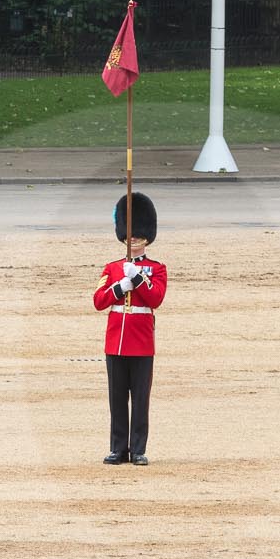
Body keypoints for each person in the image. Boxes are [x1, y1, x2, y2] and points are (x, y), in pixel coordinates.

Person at [94, 193, 166, 466]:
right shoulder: (112, 268)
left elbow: (156, 298)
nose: (133, 238)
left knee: (140, 400)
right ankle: (117, 448)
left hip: (142, 341)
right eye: (130, 234)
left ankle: (137, 449)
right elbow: (99, 301)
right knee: (116, 399)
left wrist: (136, 278)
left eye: (138, 234)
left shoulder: (156, 269)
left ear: (148, 236)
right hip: (115, 341)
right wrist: (118, 286)